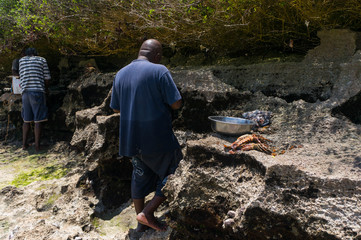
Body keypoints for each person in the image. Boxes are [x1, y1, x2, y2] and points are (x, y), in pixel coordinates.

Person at [110, 39, 183, 232]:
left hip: (131, 139)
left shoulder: (120, 74)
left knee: (139, 175)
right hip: (157, 138)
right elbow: (176, 103)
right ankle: (148, 213)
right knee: (175, 171)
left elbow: (116, 107)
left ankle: (140, 226)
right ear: (157, 56)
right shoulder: (159, 71)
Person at [19, 47, 51, 151]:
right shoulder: (41, 60)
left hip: (25, 93)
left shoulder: (21, 61)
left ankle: (24, 145)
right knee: (38, 120)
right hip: (37, 92)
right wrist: (46, 90)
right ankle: (37, 146)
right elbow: (47, 78)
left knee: (26, 120)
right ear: (35, 53)